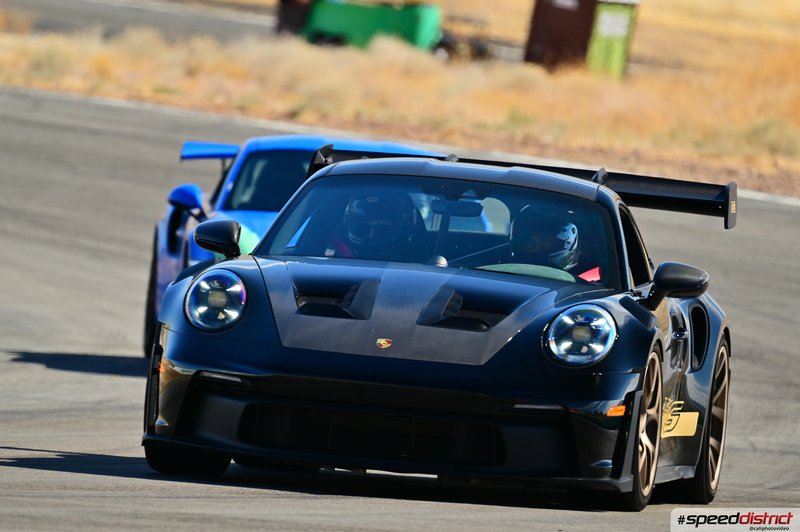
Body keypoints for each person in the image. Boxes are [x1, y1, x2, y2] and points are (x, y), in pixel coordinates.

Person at [325, 191, 425, 262]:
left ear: (405, 228)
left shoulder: (423, 270)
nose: (371, 235)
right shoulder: (332, 263)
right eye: (362, 228)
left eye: (382, 229)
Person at [510, 206, 579, 271]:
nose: (536, 247)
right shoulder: (504, 269)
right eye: (529, 242)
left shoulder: (583, 279)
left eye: (544, 240)